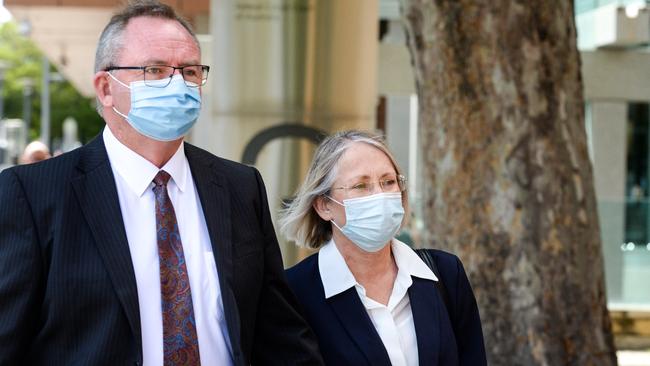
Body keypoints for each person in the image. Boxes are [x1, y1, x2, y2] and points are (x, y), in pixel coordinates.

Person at [0, 1, 323, 365]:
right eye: (154, 70)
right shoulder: (30, 195)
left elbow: (277, 331)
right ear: (106, 88)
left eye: (188, 71)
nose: (176, 83)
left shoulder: (239, 187)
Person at [281, 130, 487, 366]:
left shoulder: (446, 274)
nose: (380, 195)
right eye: (361, 185)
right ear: (324, 205)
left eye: (388, 182)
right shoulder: (294, 292)